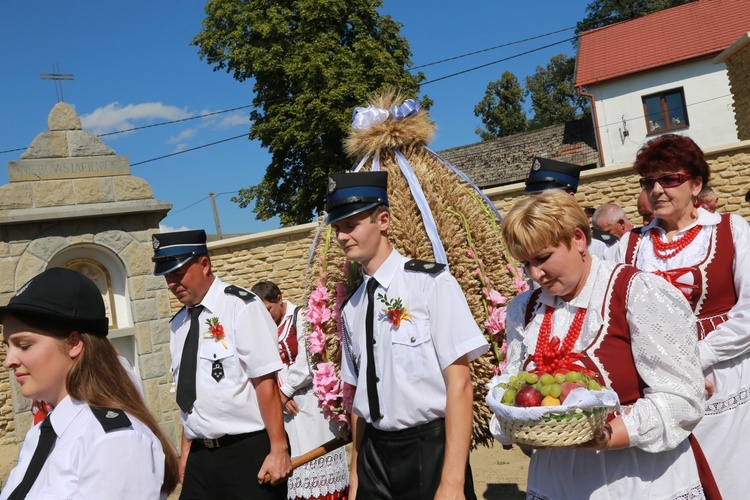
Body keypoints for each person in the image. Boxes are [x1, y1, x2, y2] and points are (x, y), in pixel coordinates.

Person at [493, 189, 708, 498]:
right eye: (526, 264)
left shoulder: (637, 292)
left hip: (637, 478)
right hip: (557, 479)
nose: (535, 274)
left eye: (543, 258)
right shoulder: (522, 310)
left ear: (578, 239)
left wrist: (609, 435)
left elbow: (682, 399)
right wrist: (514, 424)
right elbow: (513, 388)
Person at [328, 171, 488, 499]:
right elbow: (359, 399)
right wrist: (357, 473)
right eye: (338, 228)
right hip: (374, 454)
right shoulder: (352, 309)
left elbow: (460, 384)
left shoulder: (429, 284)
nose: (343, 236)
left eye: (351, 225)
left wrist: (453, 482)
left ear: (383, 220)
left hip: (428, 448)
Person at [620, 133, 750, 499]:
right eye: (649, 182)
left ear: (696, 184)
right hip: (655, 387)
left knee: (730, 478)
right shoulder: (630, 244)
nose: (658, 189)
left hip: (724, 376)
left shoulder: (731, 229)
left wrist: (695, 359)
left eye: (669, 179)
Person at [0, 267, 179, 499]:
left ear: (74, 343)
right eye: (7, 347)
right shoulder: (41, 433)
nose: (8, 362)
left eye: (24, 345)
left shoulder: (114, 442)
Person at [152, 229, 291, 499]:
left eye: (178, 273)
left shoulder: (241, 307)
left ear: (204, 264)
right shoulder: (179, 324)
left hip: (246, 451)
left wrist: (278, 449)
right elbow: (191, 394)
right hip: (201, 457)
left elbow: (265, 383)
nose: (172, 283)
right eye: (167, 276)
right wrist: (186, 454)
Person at [251, 281, 349, 500]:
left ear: (279, 299)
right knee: (296, 467)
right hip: (287, 412)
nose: (267, 316)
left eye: (268, 309)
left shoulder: (301, 318)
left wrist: (284, 391)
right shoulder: (266, 328)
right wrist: (280, 397)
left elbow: (309, 360)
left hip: (311, 405)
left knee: (318, 459)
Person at [524, 157, 614, 257]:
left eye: (545, 199)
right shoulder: (531, 243)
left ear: (570, 198)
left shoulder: (600, 244)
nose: (537, 207)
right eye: (533, 199)